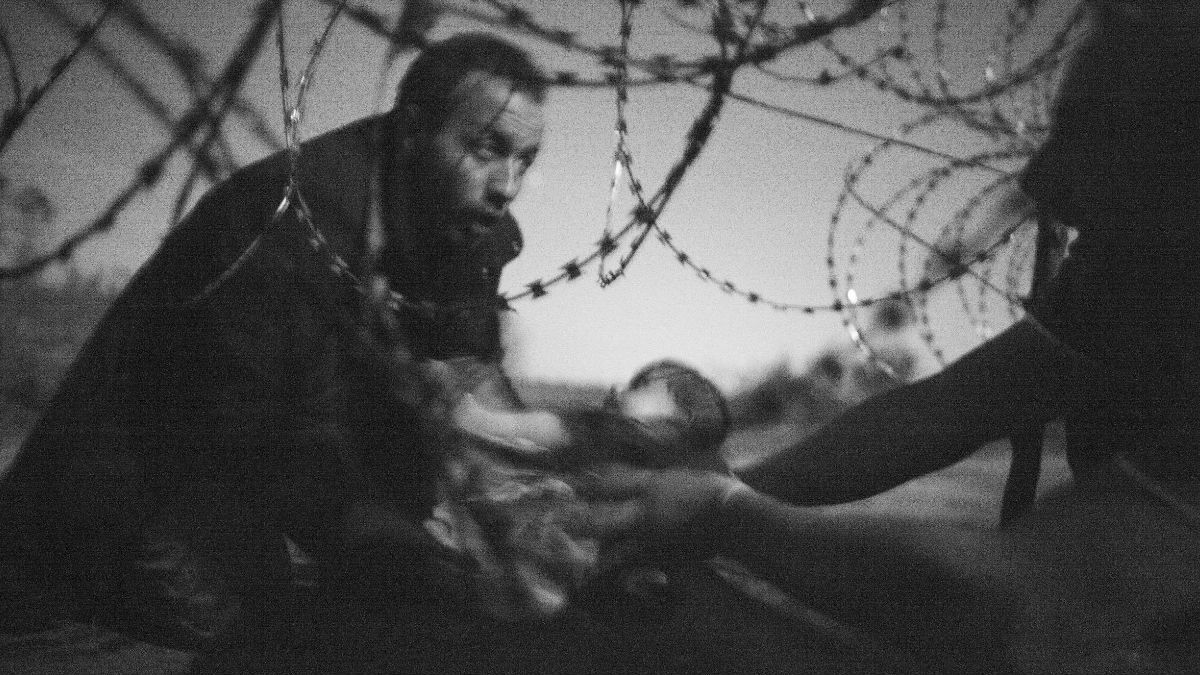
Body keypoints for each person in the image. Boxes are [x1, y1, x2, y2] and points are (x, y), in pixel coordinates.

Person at [588, 2, 1200, 672]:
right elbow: (945, 409)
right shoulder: (1143, 267)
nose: (1037, 180)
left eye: (1096, 135)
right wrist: (721, 490)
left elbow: (1037, 605)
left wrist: (724, 517)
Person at [0, 32, 547, 651]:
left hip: (254, 506)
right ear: (414, 129)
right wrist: (386, 543)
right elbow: (231, 437)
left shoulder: (468, 235)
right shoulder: (291, 216)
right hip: (121, 522)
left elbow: (446, 403)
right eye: (487, 149)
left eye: (526, 160)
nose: (508, 184)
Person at [420, 358, 730, 620]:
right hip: (566, 518)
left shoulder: (615, 432)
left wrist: (484, 422)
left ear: (675, 420)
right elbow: (542, 434)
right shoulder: (621, 435)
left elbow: (544, 430)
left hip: (574, 523)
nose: (627, 389)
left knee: (545, 532)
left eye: (646, 389)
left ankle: (510, 575)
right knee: (540, 530)